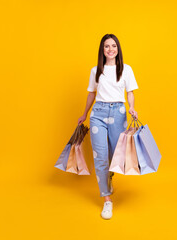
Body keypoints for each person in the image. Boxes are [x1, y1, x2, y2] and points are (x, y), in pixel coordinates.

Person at [77, 34, 139, 220]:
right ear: (102, 50)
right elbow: (91, 94)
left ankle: (109, 176)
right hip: (98, 113)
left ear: (118, 49)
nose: (110, 49)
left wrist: (132, 108)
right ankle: (107, 200)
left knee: (115, 153)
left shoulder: (126, 70)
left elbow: (130, 92)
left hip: (119, 113)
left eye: (113, 46)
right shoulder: (96, 70)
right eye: (106, 46)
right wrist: (84, 114)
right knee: (100, 156)